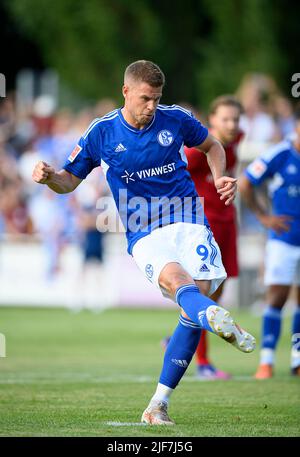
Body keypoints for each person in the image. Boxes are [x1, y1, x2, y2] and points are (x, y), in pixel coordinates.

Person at [32, 60, 256, 425]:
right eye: (145, 98)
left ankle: (158, 404)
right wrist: (49, 177)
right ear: (126, 92)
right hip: (145, 231)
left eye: (156, 99)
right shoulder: (101, 132)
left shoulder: (175, 118)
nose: (151, 106)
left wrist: (220, 178)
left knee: (192, 308)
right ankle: (214, 316)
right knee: (179, 285)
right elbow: (68, 181)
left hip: (189, 220)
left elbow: (213, 145)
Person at [239, 106, 300, 379]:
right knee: (277, 296)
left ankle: (297, 360)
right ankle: (266, 360)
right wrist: (263, 216)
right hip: (283, 238)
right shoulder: (280, 154)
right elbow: (245, 183)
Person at [185, 96, 244, 379]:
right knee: (204, 294)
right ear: (211, 121)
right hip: (206, 224)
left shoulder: (235, 141)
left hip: (228, 221)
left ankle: (179, 337)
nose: (232, 124)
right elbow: (177, 171)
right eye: (225, 119)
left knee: (220, 292)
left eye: (236, 119)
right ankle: (204, 363)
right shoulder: (198, 152)